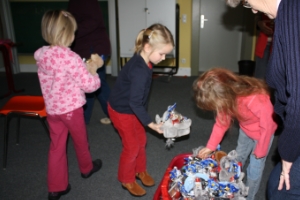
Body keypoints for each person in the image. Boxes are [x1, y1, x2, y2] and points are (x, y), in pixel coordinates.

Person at [226, 0, 300, 199]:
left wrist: (286, 152)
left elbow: (295, 102)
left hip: (266, 135)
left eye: (247, 3)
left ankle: (249, 196)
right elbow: (221, 121)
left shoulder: (294, 12)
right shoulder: (286, 14)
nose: (253, 9)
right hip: (259, 129)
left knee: (276, 186)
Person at [34, 10, 103, 200]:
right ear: (66, 33)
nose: (75, 36)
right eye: (73, 32)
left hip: (53, 110)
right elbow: (89, 86)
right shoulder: (70, 57)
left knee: (56, 146)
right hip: (71, 110)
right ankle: (87, 168)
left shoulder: (41, 55)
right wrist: (94, 73)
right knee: (81, 141)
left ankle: (56, 187)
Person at [108, 23, 174, 196]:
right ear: (147, 47)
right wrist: (150, 124)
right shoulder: (139, 71)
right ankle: (126, 179)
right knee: (131, 147)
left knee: (141, 142)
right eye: (161, 53)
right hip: (122, 111)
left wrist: (144, 119)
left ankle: (140, 170)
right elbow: (134, 102)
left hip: (133, 109)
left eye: (166, 54)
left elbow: (139, 98)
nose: (164, 57)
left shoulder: (145, 60)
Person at [193, 68, 277, 200]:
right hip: (245, 129)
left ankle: (249, 196)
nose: (217, 110)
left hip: (262, 135)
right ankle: (233, 184)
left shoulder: (256, 98)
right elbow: (221, 123)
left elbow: (269, 126)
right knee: (237, 158)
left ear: (224, 95)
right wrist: (211, 146)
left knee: (254, 170)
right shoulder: (226, 98)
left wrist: (260, 150)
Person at [68, 0, 112, 125]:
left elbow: (92, 21)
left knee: (97, 85)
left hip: (93, 49)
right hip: (89, 48)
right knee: (89, 85)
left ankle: (116, 115)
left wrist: (70, 32)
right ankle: (85, 119)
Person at [254, 12, 274, 79]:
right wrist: (259, 23)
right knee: (260, 78)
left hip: (280, 47)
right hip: (263, 44)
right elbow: (257, 14)